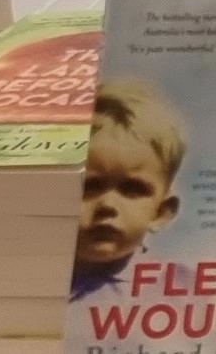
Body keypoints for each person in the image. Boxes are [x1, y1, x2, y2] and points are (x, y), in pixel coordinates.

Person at [72, 79, 183, 297]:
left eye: (132, 189)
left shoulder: (182, 292)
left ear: (161, 212)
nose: (107, 205)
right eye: (90, 186)